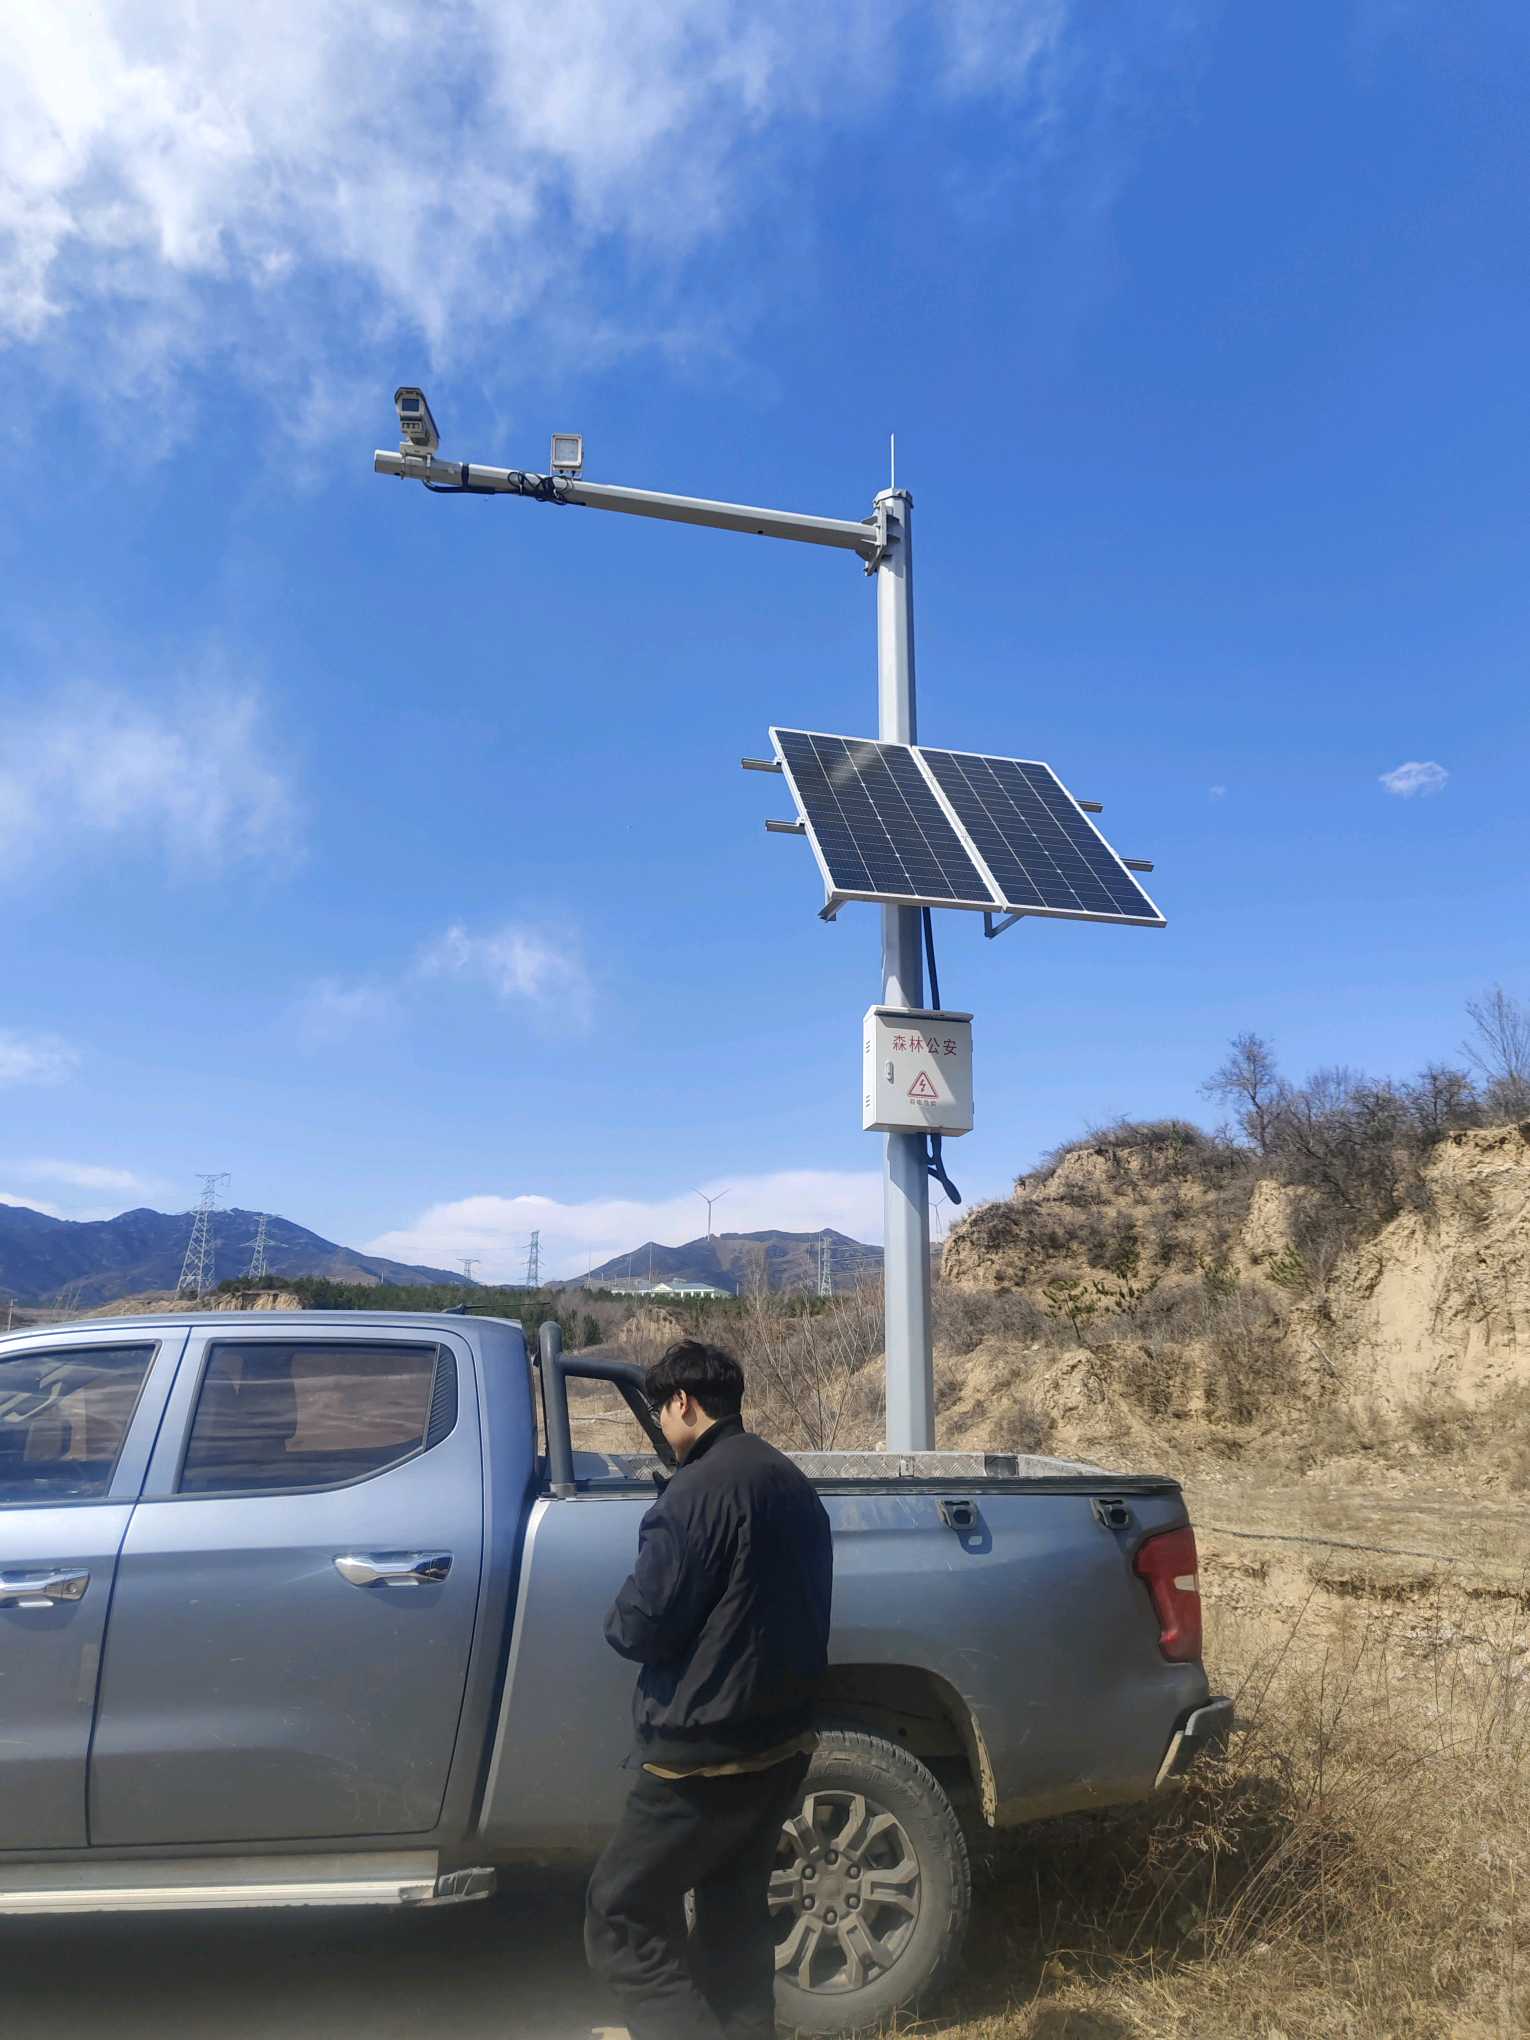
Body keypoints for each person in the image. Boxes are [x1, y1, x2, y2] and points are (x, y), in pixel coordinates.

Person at [585, 1338, 834, 2040]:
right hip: (780, 1744)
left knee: (620, 1916)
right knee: (733, 1917)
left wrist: (618, 1613)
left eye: (660, 1411)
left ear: (683, 1403)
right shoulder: (787, 1478)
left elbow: (640, 1624)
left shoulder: (693, 1493)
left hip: (700, 1758)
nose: (661, 1425)